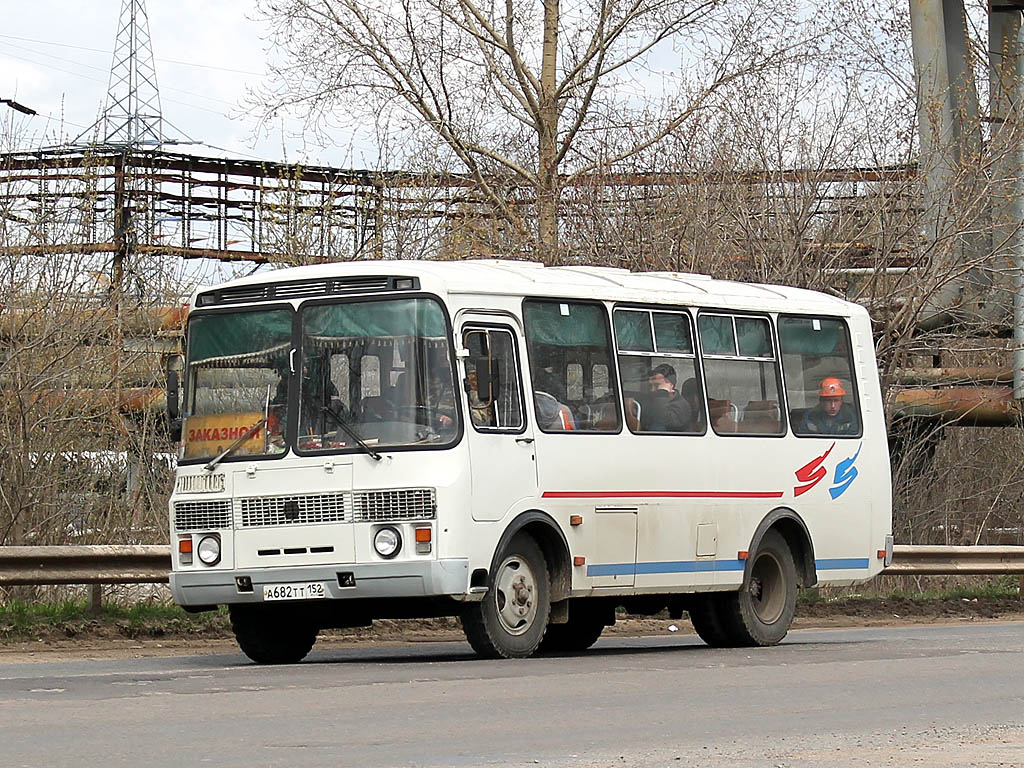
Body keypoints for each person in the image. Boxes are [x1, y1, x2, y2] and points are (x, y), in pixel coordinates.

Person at [642, 363, 693, 432]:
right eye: (650, 386)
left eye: (657, 385)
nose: (652, 390)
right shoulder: (651, 400)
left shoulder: (681, 405)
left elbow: (664, 421)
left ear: (670, 385)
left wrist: (662, 393)